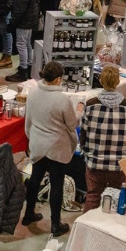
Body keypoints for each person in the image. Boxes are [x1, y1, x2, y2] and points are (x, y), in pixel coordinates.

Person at [22, 61, 78, 236]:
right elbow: (72, 125)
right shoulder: (62, 100)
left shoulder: (33, 93)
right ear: (58, 79)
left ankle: (28, 213)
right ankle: (55, 224)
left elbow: (28, 121)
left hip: (38, 144)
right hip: (57, 147)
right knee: (56, 184)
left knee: (34, 179)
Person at [80, 65, 126, 211]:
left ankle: (88, 227)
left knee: (92, 196)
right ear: (118, 81)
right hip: (119, 164)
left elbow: (83, 133)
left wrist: (86, 153)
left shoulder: (90, 105)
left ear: (101, 81)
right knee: (117, 199)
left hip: (95, 162)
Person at [8, 0, 44, 82]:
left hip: (24, 20)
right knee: (28, 43)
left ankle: (23, 71)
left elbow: (20, 7)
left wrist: (13, 22)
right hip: (32, 18)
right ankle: (29, 67)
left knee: (21, 44)